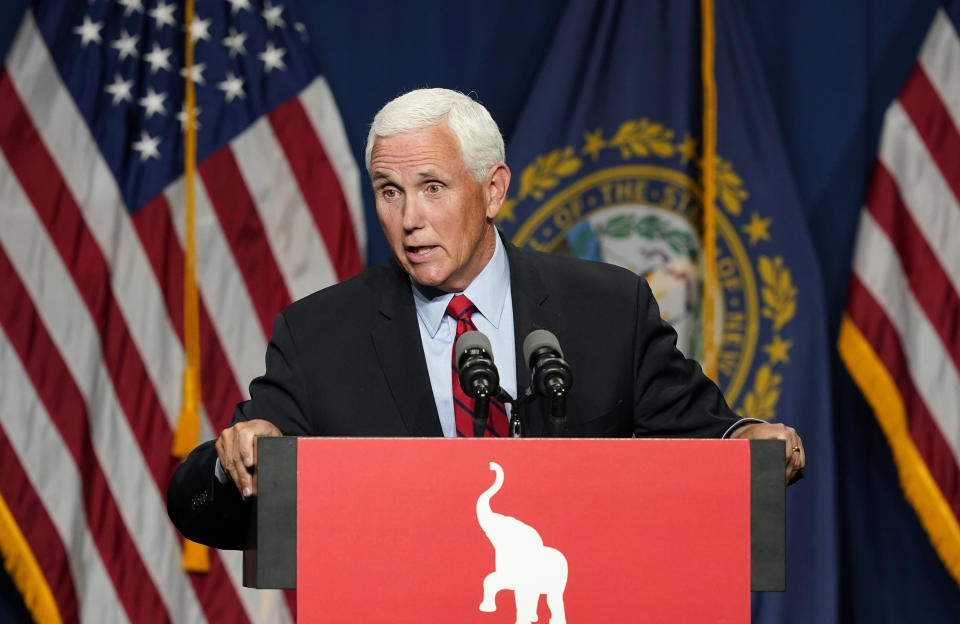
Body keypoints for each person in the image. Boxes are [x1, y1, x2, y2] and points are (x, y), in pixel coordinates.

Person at [167, 89, 804, 549]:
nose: (409, 219)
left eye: (432, 188)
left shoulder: (609, 309)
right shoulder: (321, 334)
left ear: (493, 189)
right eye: (390, 191)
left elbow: (709, 436)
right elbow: (202, 507)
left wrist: (749, 441)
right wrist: (233, 460)